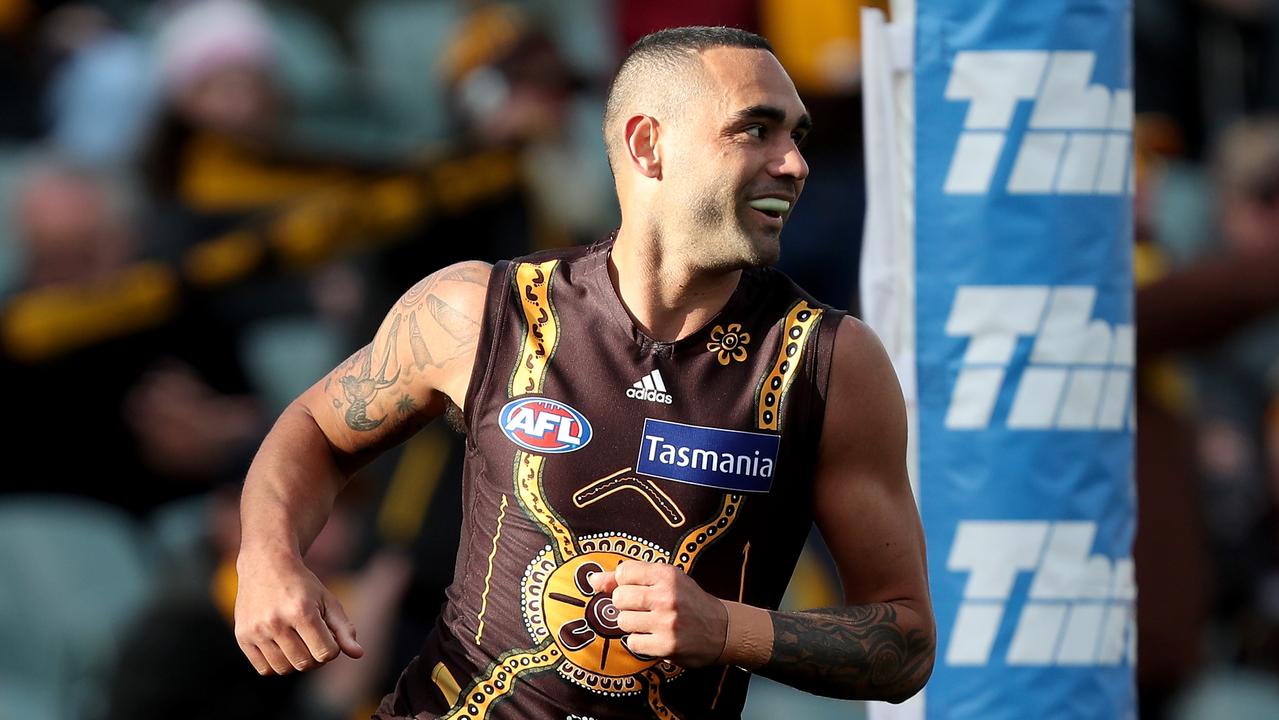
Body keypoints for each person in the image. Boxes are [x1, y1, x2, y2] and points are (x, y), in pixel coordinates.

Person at [234, 26, 934, 719]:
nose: (793, 164)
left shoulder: (831, 363)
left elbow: (904, 645)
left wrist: (726, 630)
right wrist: (266, 556)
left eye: (797, 136)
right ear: (647, 145)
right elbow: (314, 430)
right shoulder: (477, 309)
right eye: (755, 131)